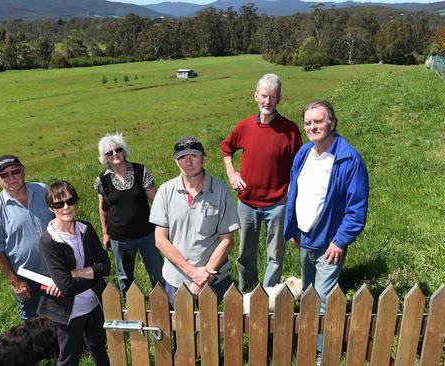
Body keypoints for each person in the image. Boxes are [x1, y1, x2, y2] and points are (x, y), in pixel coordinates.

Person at [283, 100, 369, 312]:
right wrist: (293, 225)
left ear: (332, 122)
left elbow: (356, 208)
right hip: (304, 238)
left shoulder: (349, 160)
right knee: (308, 292)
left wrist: (340, 241)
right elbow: (295, 191)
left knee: (322, 302)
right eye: (308, 122)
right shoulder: (304, 154)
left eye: (318, 121)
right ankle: (307, 339)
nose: (312, 127)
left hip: (330, 244)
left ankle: (322, 345)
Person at [221, 73, 302, 291]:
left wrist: (290, 196)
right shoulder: (245, 126)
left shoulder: (290, 130)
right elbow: (226, 149)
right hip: (247, 203)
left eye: (272, 97)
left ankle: (269, 295)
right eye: (264, 96)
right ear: (256, 96)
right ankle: (247, 291)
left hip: (277, 204)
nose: (268, 101)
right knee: (245, 253)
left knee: (275, 255)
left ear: (279, 99)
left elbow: (299, 168)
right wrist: (231, 173)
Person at [150, 136, 240, 307]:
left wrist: (203, 278)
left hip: (213, 279)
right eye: (182, 157)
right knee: (181, 330)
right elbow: (160, 240)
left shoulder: (220, 191)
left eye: (194, 156)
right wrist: (192, 273)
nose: (188, 162)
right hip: (176, 280)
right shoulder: (165, 191)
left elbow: (227, 241)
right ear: (176, 162)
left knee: (212, 330)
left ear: (204, 158)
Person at [38, 181, 110, 366]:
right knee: (69, 357)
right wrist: (94, 274)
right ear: (50, 207)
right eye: (59, 204)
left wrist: (75, 272)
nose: (66, 207)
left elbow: (106, 266)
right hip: (69, 311)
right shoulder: (48, 241)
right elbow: (66, 286)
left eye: (70, 201)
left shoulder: (86, 228)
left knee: (99, 347)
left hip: (94, 303)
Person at [0, 155, 54, 321]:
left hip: (58, 268)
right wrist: (16, 282)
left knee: (69, 318)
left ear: (23, 171)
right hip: (29, 280)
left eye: (15, 171)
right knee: (35, 329)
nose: (11, 177)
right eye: (4, 175)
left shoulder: (43, 190)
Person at [94, 133, 164, 298]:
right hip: (120, 238)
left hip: (147, 234)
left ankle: (164, 307)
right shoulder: (101, 181)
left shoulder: (141, 171)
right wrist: (105, 233)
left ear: (124, 151)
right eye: (109, 153)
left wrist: (164, 226)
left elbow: (156, 201)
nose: (114, 154)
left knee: (158, 273)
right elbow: (103, 208)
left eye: (117, 150)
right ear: (105, 158)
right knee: (125, 277)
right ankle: (131, 310)